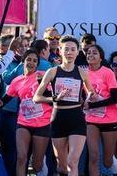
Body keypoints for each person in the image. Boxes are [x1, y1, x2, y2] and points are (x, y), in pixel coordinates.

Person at [34, 35, 96, 176]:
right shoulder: (52, 71)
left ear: (78, 51)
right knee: (61, 166)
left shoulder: (82, 72)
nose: (69, 52)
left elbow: (91, 92)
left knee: (72, 162)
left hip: (76, 118)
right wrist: (55, 98)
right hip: (58, 118)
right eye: (66, 49)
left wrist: (89, 100)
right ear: (60, 51)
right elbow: (36, 97)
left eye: (73, 49)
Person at [3, 50, 52, 176]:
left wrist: (42, 83)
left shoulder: (42, 75)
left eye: (35, 61)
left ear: (37, 64)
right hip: (23, 123)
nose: (31, 63)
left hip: (42, 124)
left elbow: (51, 98)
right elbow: (5, 99)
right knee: (21, 158)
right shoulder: (17, 80)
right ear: (23, 61)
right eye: (29, 59)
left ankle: (41, 164)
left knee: (36, 165)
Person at [85, 44, 117, 176]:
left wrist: (92, 105)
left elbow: (115, 98)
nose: (91, 55)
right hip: (91, 119)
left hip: (109, 119)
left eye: (94, 52)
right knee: (94, 156)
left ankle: (116, 170)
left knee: (107, 161)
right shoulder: (84, 73)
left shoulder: (107, 72)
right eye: (88, 52)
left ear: (101, 57)